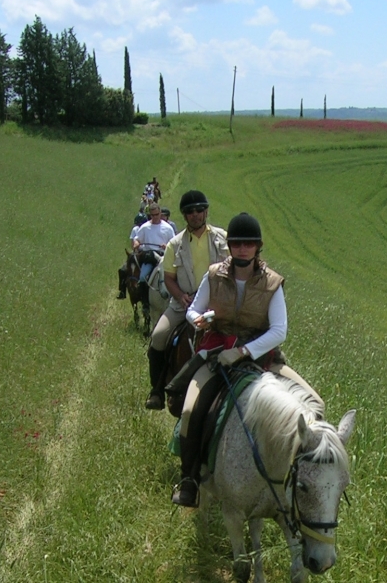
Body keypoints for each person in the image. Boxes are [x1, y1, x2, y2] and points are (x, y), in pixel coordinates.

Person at [170, 212, 324, 507]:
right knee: (190, 411)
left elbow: (279, 330)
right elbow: (194, 309)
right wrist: (197, 319)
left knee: (316, 403)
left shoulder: (273, 283)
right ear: (229, 245)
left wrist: (243, 351)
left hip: (262, 356)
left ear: (258, 246)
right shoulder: (214, 275)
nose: (242, 248)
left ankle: (306, 479)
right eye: (236, 243)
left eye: (248, 243)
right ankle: (189, 479)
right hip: (217, 352)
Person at [144, 190, 229, 410]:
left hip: (217, 303)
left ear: (206, 211)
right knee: (159, 337)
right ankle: (157, 390)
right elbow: (169, 278)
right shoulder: (174, 244)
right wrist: (181, 296)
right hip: (185, 302)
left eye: (199, 210)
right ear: (184, 215)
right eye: (190, 212)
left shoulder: (223, 238)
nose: (195, 215)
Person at [134, 203, 175, 283]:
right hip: (150, 257)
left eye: (157, 214)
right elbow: (137, 239)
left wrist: (166, 246)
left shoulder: (168, 228)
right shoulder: (145, 227)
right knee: (142, 277)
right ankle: (144, 295)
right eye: (153, 215)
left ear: (160, 213)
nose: (155, 217)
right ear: (150, 215)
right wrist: (136, 243)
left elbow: (174, 244)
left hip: (164, 257)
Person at [117, 213, 148, 300]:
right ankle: (122, 290)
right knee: (122, 270)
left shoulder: (147, 229)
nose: (139, 225)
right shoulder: (135, 229)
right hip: (136, 252)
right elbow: (132, 242)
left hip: (144, 253)